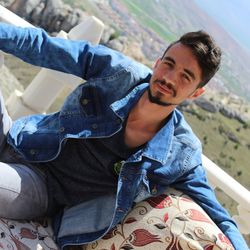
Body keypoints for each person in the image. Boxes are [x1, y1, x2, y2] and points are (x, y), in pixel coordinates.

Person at [0, 22, 248, 249]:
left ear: (196, 93)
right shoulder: (120, 74)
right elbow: (41, 45)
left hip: (39, 185)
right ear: (157, 62)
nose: (170, 78)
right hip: (19, 136)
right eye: (169, 64)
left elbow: (220, 216)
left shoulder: (180, 152)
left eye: (186, 76)